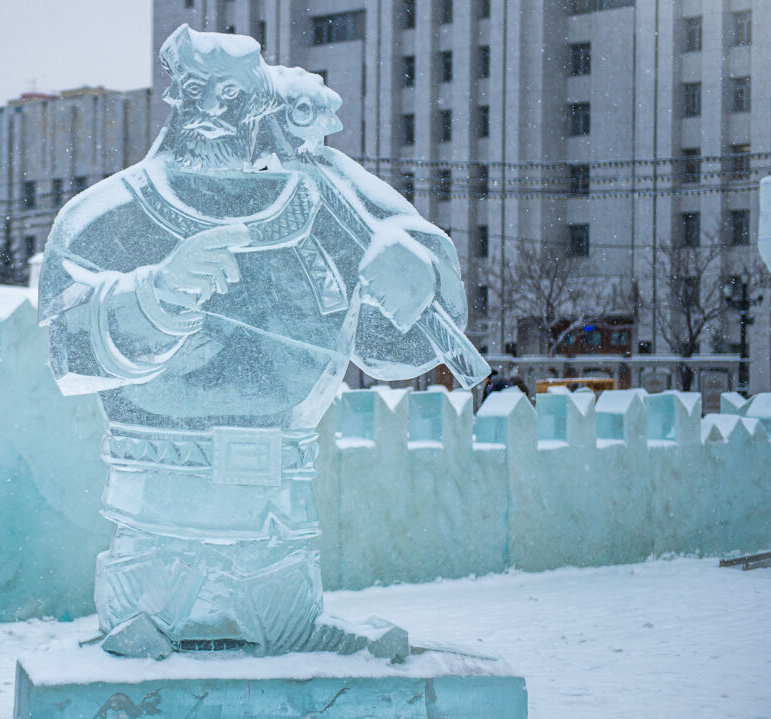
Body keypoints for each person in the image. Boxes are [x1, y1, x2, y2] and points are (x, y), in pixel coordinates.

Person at [40, 25, 483, 657]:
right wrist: (155, 295)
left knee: (286, 624)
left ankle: (292, 630)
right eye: (198, 90)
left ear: (263, 102)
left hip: (280, 501)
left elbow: (400, 348)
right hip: (156, 496)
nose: (215, 109)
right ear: (174, 96)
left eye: (233, 93)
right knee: (146, 621)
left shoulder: (321, 201)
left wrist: (417, 269)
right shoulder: (110, 213)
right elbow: (67, 349)